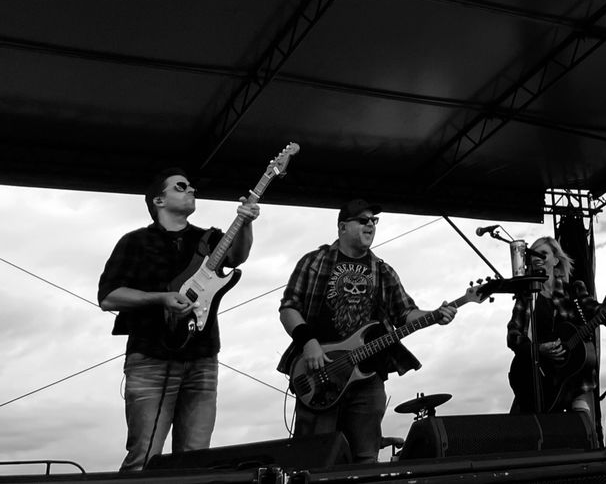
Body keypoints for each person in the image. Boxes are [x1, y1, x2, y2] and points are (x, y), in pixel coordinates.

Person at [98, 167, 259, 471]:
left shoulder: (208, 238)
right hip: (150, 358)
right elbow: (108, 296)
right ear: (159, 200)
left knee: (196, 458)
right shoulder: (134, 242)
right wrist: (160, 298)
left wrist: (246, 223)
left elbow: (236, 258)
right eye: (181, 186)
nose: (191, 190)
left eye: (192, 187)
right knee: (143, 456)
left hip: (202, 358)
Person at [278, 199, 458, 462]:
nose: (371, 225)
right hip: (319, 372)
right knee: (313, 458)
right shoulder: (315, 262)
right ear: (342, 227)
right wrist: (308, 342)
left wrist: (435, 315)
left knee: (366, 458)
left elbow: (405, 314)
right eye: (363, 220)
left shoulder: (382, 271)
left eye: (374, 221)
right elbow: (289, 308)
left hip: (367, 377)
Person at [506, 236, 606, 418]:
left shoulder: (573, 291)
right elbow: (513, 336)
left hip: (573, 381)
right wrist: (539, 349)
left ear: (556, 260)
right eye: (533, 254)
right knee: (523, 432)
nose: (537, 257)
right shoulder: (526, 295)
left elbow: (595, 310)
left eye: (543, 253)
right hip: (536, 378)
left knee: (580, 433)